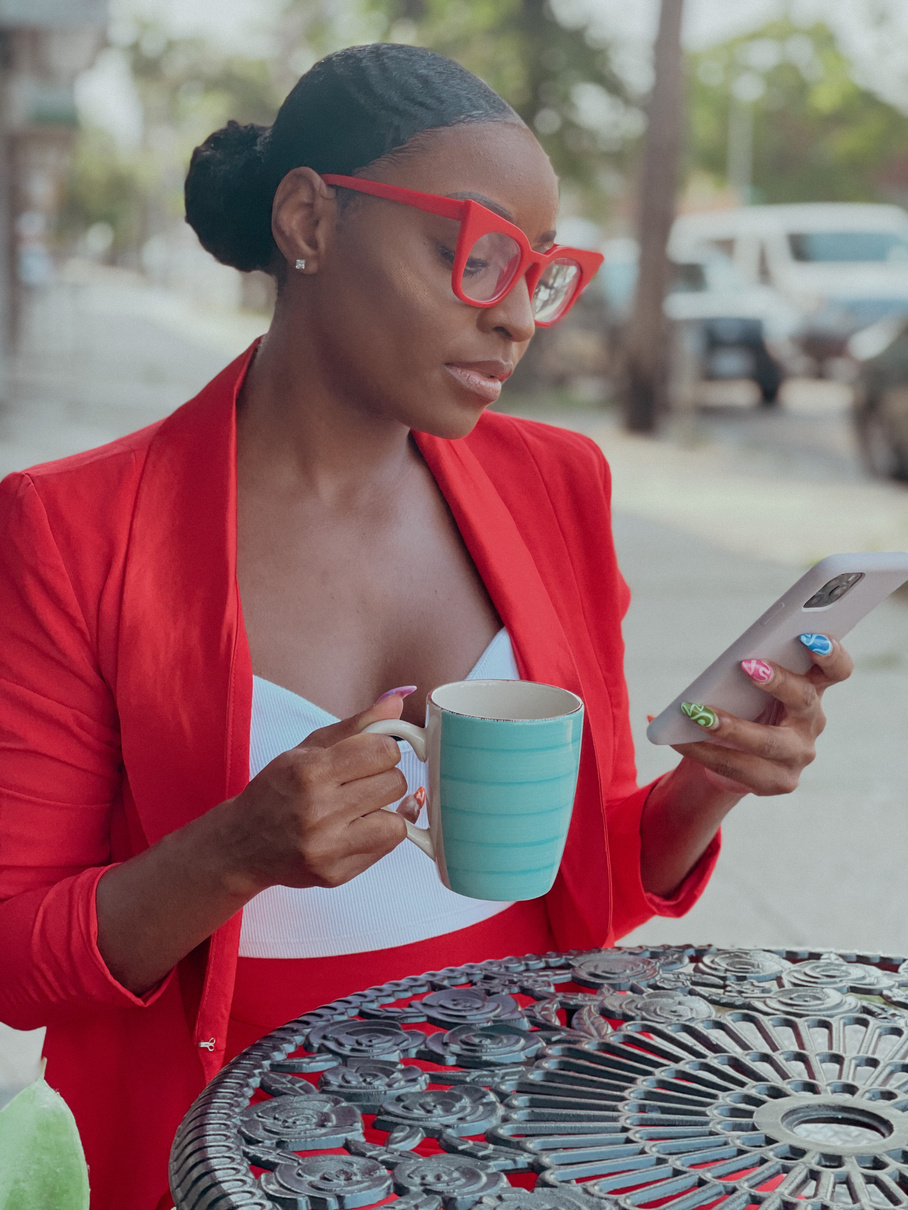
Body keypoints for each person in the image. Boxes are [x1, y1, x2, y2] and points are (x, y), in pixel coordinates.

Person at [0, 43, 851, 1210]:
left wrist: (709, 782)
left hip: (528, 1122)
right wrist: (233, 850)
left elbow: (582, 885)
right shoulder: (73, 526)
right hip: (219, 1145)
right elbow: (19, 956)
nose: (515, 319)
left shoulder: (556, 483)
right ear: (309, 219)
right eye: (477, 255)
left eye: (542, 272)